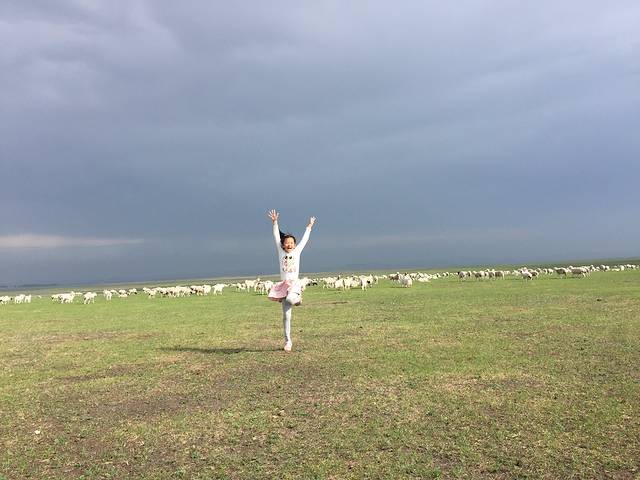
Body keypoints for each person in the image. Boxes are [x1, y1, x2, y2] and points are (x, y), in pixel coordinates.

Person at [267, 209, 316, 352]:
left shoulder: (297, 252)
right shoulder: (280, 252)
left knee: (290, 299)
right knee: (286, 316)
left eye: (291, 243)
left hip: (294, 285)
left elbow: (304, 240)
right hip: (284, 286)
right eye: (286, 243)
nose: (289, 245)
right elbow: (276, 236)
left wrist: (309, 226)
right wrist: (275, 222)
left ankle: (298, 298)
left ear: (294, 244)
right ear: (283, 245)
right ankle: (288, 341)